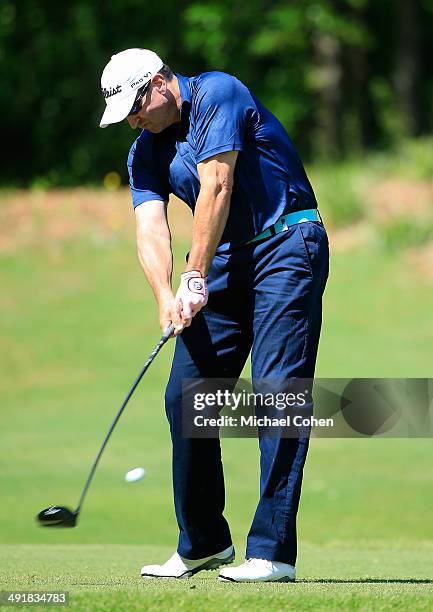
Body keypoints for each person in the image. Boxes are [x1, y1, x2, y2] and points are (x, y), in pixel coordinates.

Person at [99, 48, 329, 583]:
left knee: (277, 392)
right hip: (226, 260)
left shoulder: (218, 93)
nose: (133, 120)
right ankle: (203, 542)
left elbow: (217, 184)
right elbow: (151, 228)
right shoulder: (143, 154)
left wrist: (195, 275)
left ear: (159, 83)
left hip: (286, 244)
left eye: (136, 106)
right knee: (187, 395)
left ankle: (272, 552)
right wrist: (164, 297)